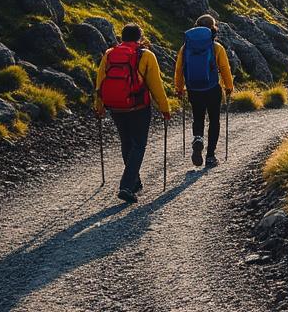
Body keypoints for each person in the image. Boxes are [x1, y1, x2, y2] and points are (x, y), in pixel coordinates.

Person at [95, 24, 172, 203]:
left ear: (122, 37)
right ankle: (127, 186)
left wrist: (99, 107)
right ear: (140, 37)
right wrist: (164, 108)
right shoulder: (145, 55)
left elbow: (100, 82)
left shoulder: (109, 54)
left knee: (126, 142)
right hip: (138, 107)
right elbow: (156, 85)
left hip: (115, 106)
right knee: (139, 144)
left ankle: (134, 182)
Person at [174, 14, 234, 168]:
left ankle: (198, 138)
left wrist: (179, 88)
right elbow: (224, 69)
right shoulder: (216, 47)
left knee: (198, 117)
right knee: (214, 120)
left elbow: (179, 69)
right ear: (213, 29)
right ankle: (210, 156)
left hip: (193, 89)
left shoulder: (185, 47)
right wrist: (229, 87)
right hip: (213, 88)